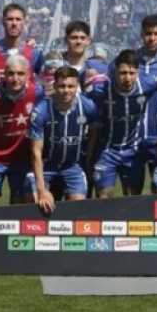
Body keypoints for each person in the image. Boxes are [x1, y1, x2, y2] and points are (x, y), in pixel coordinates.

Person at [88, 50, 157, 197]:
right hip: (107, 151)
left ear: (138, 72)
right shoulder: (100, 90)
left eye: (132, 73)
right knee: (103, 197)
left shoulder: (148, 83)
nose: (127, 78)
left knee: (133, 199)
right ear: (115, 71)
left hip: (134, 152)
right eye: (123, 73)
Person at [0, 54, 44, 207]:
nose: (15, 78)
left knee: (19, 204)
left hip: (21, 158)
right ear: (4, 74)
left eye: (20, 74)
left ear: (28, 75)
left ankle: (10, 232)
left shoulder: (37, 93)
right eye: (11, 73)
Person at [29, 67, 100, 213]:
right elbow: (36, 152)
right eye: (62, 86)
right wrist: (42, 190)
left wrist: (87, 158)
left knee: (78, 205)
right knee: (35, 200)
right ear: (54, 86)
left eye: (71, 86)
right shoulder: (41, 111)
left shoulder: (88, 107)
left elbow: (94, 132)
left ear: (77, 87)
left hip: (72, 166)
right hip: (46, 166)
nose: (66, 90)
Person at [0, 3, 45, 85]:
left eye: (18, 19)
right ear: (3, 21)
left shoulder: (35, 54)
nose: (14, 23)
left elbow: (47, 83)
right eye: (10, 19)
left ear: (24, 22)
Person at [60, 20, 109, 90]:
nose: (78, 42)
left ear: (88, 41)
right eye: (74, 38)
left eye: (82, 38)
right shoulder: (55, 66)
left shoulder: (99, 68)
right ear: (66, 40)